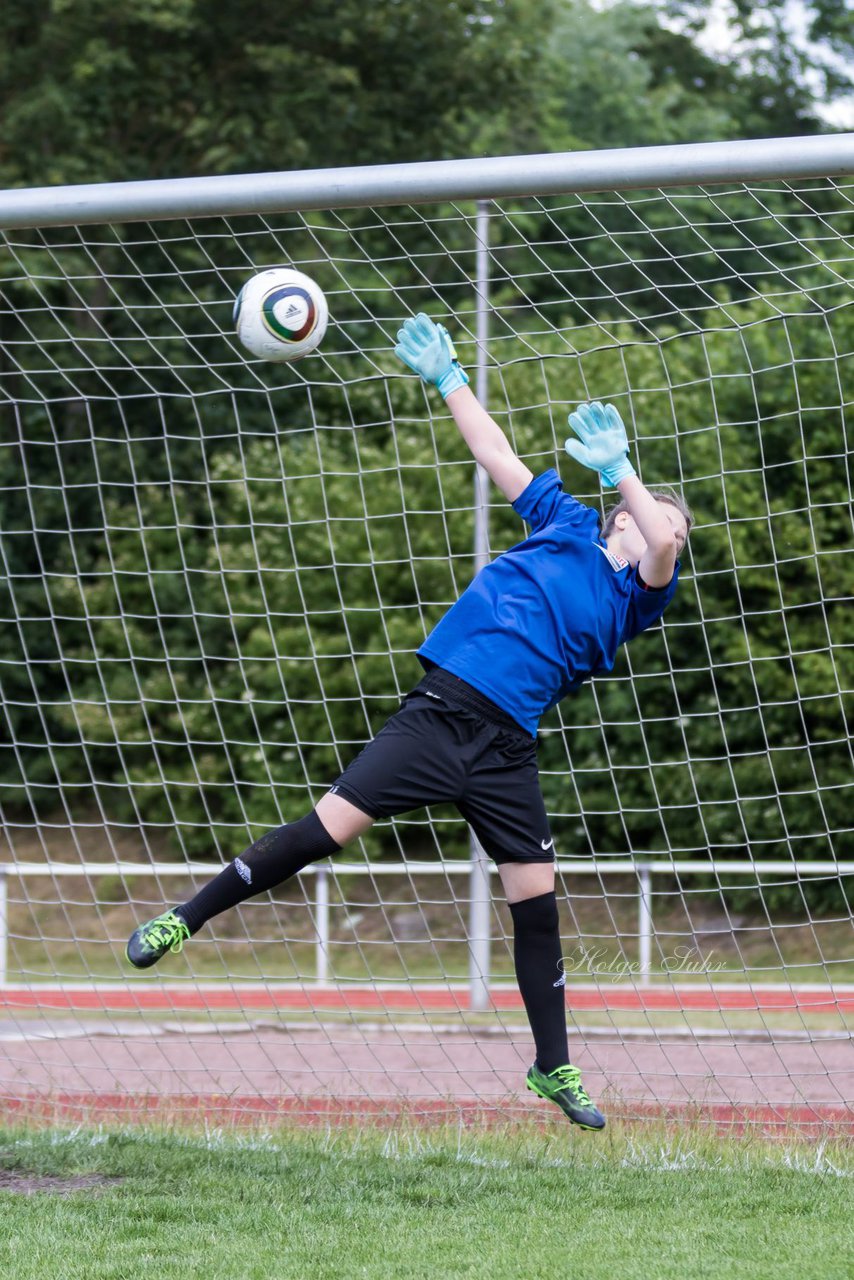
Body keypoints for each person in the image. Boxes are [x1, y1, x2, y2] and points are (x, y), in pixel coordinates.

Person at [126, 314, 692, 1132]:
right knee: (323, 830)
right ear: (613, 517)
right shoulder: (566, 524)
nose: (654, 520)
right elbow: (496, 452)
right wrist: (448, 376)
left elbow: (666, 545)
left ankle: (552, 1064)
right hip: (439, 716)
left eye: (663, 517)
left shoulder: (641, 592)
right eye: (642, 509)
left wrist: (629, 471)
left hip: (505, 748)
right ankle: (189, 915)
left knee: (537, 901)